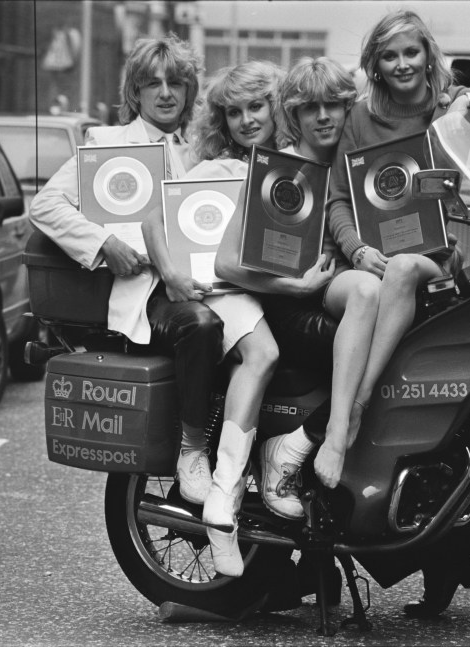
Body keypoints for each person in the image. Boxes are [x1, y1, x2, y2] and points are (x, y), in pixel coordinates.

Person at [324, 9, 470, 617]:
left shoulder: (449, 106)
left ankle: (357, 402)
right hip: (378, 262)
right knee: (430, 416)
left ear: (428, 55)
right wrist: (355, 247)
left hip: (439, 263)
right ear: (375, 63)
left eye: (411, 54)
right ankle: (434, 560)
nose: (401, 66)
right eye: (389, 56)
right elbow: (340, 197)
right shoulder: (358, 118)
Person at [30, 35, 222, 507]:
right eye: (151, 83)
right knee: (201, 328)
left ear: (189, 91)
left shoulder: (200, 150)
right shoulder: (107, 144)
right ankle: (193, 450)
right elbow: (46, 205)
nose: (165, 93)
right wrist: (104, 243)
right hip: (146, 293)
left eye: (176, 82)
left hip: (210, 282)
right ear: (133, 93)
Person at [157, 59, 319, 578]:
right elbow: (151, 218)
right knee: (263, 352)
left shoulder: (295, 163)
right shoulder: (216, 170)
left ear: (278, 108)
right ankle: (223, 503)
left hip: (277, 294)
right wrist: (173, 274)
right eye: (234, 113)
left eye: (257, 106)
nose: (247, 120)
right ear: (221, 123)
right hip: (224, 291)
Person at [213, 56, 371, 522]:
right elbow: (225, 262)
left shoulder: (352, 163)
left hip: (340, 295)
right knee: (370, 305)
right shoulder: (279, 169)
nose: (323, 117)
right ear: (293, 114)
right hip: (293, 307)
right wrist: (295, 285)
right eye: (309, 108)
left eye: (333, 107)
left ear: (348, 109)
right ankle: (314, 439)